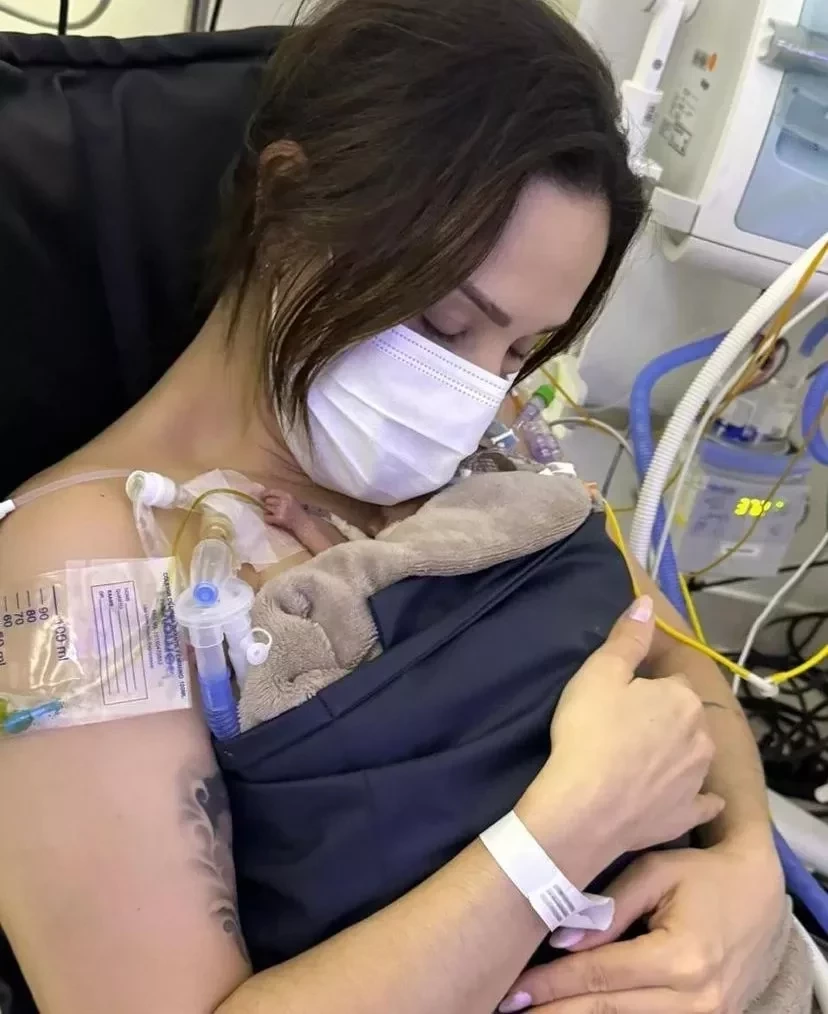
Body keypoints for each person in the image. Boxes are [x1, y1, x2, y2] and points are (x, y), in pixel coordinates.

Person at [0, 1, 786, 1012]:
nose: (473, 397)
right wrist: (558, 840)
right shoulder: (80, 580)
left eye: (519, 350)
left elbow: (666, 649)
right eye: (445, 322)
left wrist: (748, 869)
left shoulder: (487, 452)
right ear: (287, 200)